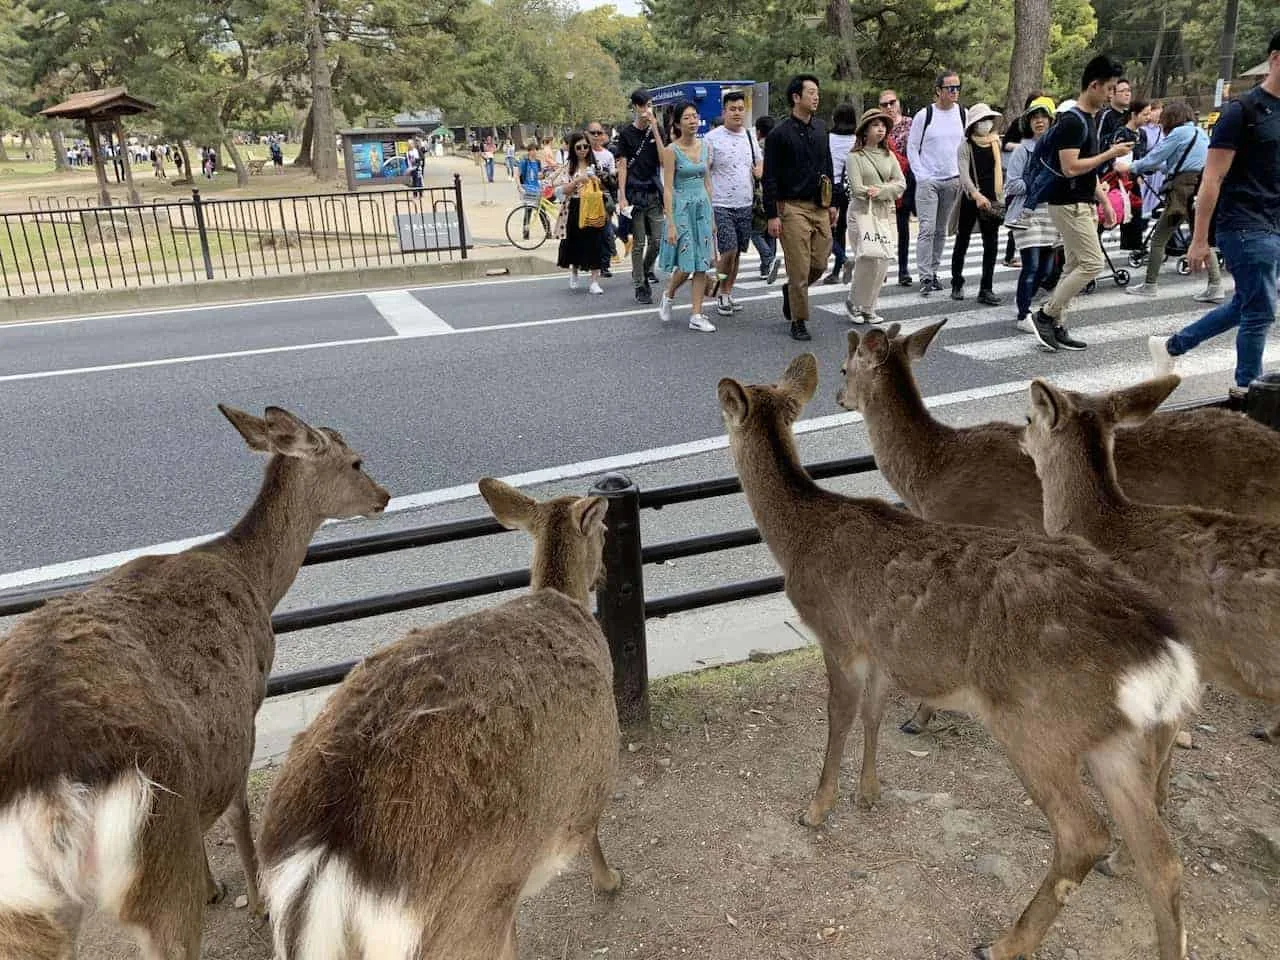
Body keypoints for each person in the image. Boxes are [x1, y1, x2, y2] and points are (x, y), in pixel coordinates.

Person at [1150, 30, 1280, 397]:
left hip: (1274, 222)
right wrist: (1200, 239)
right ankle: (1249, 393)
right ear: (1275, 58)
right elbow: (1212, 178)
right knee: (1260, 312)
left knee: (1247, 303)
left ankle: (1172, 346)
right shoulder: (1242, 111)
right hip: (1243, 224)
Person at [1026, 54, 1133, 354]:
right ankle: (1046, 314)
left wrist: (1104, 202)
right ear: (1094, 85)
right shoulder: (1074, 120)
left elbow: (1089, 171)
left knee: (1073, 265)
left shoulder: (1089, 119)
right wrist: (1110, 154)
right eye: (1110, 88)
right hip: (1068, 202)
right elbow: (1071, 166)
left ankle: (1057, 323)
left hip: (1082, 200)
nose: (1112, 95)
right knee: (1092, 263)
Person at [763, 74, 838, 342]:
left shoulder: (820, 128)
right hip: (791, 207)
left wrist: (833, 203)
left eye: (817, 92)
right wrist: (772, 214)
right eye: (811, 93)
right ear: (796, 97)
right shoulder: (778, 135)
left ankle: (790, 292)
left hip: (819, 205)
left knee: (819, 262)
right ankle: (799, 320)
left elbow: (828, 166)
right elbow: (769, 177)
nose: (816, 97)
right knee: (799, 267)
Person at [1125, 100, 1222, 302]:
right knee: (1201, 237)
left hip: (1180, 192)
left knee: (1159, 238)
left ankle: (1150, 284)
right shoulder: (1199, 132)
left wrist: (1130, 167)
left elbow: (1154, 158)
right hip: (1200, 189)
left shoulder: (1178, 134)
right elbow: (1181, 162)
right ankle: (1215, 285)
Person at [656, 102, 717, 333]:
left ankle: (696, 314)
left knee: (702, 262)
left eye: (695, 116)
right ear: (678, 123)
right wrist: (670, 222)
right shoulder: (672, 150)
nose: (693, 121)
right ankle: (669, 294)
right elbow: (668, 188)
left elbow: (707, 182)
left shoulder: (704, 147)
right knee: (686, 262)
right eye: (687, 117)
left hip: (701, 207)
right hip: (682, 208)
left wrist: (711, 215)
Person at [843, 108, 906, 324]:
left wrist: (880, 191)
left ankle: (870, 307)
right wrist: (884, 188)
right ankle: (854, 302)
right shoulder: (855, 156)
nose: (880, 130)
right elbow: (857, 187)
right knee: (867, 257)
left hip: (886, 213)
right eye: (875, 125)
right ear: (865, 130)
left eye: (883, 126)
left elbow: (901, 184)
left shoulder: (889, 156)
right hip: (862, 212)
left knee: (883, 260)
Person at [907, 70, 967, 294]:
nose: (954, 92)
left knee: (942, 229)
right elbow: (912, 146)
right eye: (950, 88)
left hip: (952, 179)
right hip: (929, 180)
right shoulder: (925, 114)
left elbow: (966, 145)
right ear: (938, 90)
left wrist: (963, 174)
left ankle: (933, 271)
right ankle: (924, 276)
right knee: (927, 228)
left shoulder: (963, 113)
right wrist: (921, 175)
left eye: (957, 87)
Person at [1004, 97, 1061, 332]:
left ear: (1050, 120)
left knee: (1047, 268)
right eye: (1034, 118)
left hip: (1052, 212)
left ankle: (1028, 304)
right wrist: (1035, 182)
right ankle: (1023, 313)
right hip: (1027, 212)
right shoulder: (1022, 151)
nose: (1039, 122)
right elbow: (1011, 185)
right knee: (1031, 266)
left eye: (1043, 117)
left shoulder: (1057, 149)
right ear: (1028, 122)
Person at [704, 90, 763, 317]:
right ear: (724, 111)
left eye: (741, 109)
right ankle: (718, 291)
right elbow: (705, 172)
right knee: (728, 251)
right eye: (733, 109)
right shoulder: (712, 138)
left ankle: (728, 292)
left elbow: (759, 164)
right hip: (720, 203)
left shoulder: (749, 136)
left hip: (745, 202)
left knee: (738, 253)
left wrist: (759, 170)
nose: (737, 113)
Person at [948, 102, 1005, 305]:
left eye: (988, 119)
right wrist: (975, 194)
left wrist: (998, 197)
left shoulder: (995, 143)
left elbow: (1000, 172)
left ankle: (986, 288)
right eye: (981, 120)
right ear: (973, 124)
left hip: (992, 200)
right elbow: (964, 175)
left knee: (991, 245)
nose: (986, 124)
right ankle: (957, 281)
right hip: (970, 199)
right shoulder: (965, 146)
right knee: (962, 241)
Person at [617, 88, 667, 305]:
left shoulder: (656, 130)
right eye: (643, 105)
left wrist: (654, 126)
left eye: (649, 105)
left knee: (656, 241)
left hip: (654, 192)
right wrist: (622, 196)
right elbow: (622, 166)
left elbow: (664, 158)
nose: (647, 109)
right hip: (635, 193)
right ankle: (640, 285)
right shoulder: (626, 134)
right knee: (638, 243)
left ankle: (644, 271)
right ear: (636, 107)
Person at [552, 131, 605, 296]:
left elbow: (604, 187)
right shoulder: (568, 167)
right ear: (573, 149)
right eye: (579, 147)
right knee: (574, 242)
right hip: (574, 206)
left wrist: (597, 180)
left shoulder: (595, 166)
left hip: (593, 206)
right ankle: (574, 271)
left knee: (595, 242)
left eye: (586, 146)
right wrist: (577, 181)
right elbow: (560, 191)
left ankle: (595, 281)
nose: (583, 150)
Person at [879, 89, 914, 286]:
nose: (889, 107)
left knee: (903, 226)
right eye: (884, 104)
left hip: (906, 177)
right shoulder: (879, 125)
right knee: (881, 226)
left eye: (892, 102)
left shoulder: (910, 123)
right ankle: (880, 267)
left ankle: (903, 269)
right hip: (883, 179)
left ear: (898, 102)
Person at [823, 103, 858, 285]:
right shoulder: (857, 140)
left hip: (830, 188)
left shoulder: (828, 138)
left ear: (835, 119)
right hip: (850, 188)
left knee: (825, 231)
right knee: (841, 230)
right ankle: (837, 271)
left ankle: (843, 260)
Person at [587, 121, 619, 278]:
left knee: (606, 231)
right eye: (592, 133)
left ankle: (604, 264)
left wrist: (608, 175)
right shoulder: (582, 152)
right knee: (591, 232)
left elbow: (614, 176)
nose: (595, 136)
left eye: (598, 133)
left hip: (604, 196)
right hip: (587, 197)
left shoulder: (608, 155)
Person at [750, 115, 779, 282]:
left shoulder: (758, 148)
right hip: (776, 192)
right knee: (771, 230)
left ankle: (768, 259)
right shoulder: (778, 145)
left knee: (755, 232)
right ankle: (766, 267)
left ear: (759, 131)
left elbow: (755, 171)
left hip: (760, 193)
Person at [1098, 77, 1132, 147]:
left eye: (1128, 90)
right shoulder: (1104, 115)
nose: (1127, 94)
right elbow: (1098, 142)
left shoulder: (1131, 115)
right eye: (1122, 91)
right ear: (1112, 94)